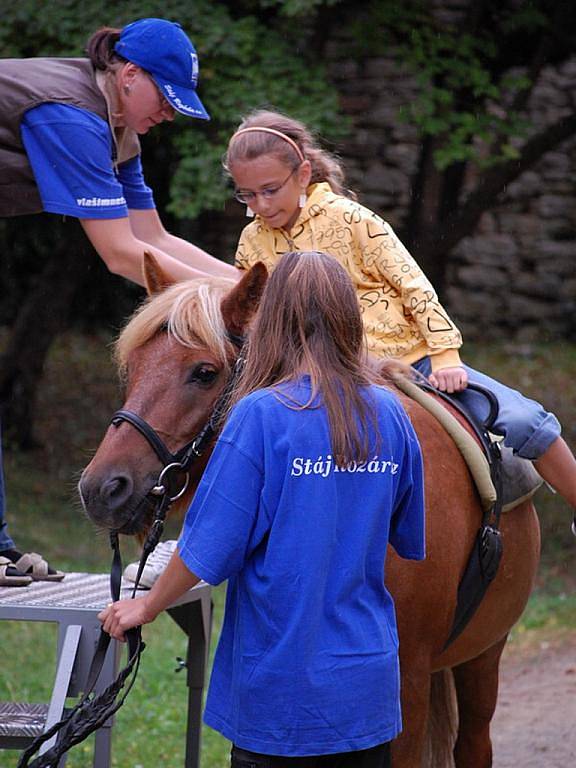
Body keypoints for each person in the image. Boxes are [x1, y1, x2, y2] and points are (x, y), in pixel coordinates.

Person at [100, 250, 426, 767]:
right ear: (348, 316)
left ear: (270, 320)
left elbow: (209, 548)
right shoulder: (391, 411)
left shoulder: (260, 415)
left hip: (280, 690)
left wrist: (147, 605)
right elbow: (407, 534)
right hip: (366, 688)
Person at [221, 108, 576, 520]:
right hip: (317, 375)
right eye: (246, 195)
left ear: (302, 174)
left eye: (269, 190)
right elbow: (257, 312)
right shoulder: (251, 243)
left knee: (522, 419)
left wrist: (444, 355)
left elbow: (413, 284)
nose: (260, 205)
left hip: (411, 362)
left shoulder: (353, 220)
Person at [0, 17, 236, 585]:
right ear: (129, 74)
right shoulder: (71, 114)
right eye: (166, 97)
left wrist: (262, 285)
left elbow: (154, 238)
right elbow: (120, 254)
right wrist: (242, 300)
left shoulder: (118, 129)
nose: (170, 114)